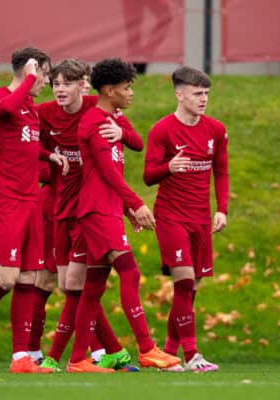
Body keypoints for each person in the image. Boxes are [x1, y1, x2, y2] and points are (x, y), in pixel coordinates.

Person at [0, 47, 69, 373]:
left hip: (30, 197)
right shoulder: (0, 98)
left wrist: (49, 156)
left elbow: (24, 144)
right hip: (5, 197)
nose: (45, 83)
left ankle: (21, 358)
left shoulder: (29, 106)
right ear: (29, 70)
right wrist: (29, 77)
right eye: (44, 75)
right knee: (6, 278)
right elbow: (5, 107)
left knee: (29, 278)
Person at [66, 58, 181, 372]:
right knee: (130, 273)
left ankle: (77, 360)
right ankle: (147, 349)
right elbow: (107, 173)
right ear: (108, 89)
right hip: (97, 209)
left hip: (106, 209)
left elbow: (138, 142)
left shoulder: (112, 118)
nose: (131, 93)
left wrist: (121, 130)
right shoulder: (93, 123)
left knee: (94, 285)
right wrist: (135, 205)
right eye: (127, 87)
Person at [36, 59, 135, 372]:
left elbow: (134, 140)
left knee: (82, 284)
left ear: (84, 85)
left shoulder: (98, 108)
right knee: (71, 286)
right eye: (55, 85)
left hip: (91, 210)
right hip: (61, 208)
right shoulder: (43, 114)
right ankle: (106, 351)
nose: (60, 90)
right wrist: (50, 161)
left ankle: (67, 357)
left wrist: (120, 132)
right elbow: (25, 147)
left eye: (67, 83)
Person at [144, 66, 229, 372]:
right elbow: (147, 176)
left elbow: (221, 171)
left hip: (201, 219)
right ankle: (192, 356)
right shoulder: (162, 130)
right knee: (185, 282)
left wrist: (222, 209)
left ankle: (168, 353)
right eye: (197, 93)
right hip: (170, 217)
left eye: (206, 93)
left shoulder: (216, 130)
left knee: (190, 289)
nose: (203, 99)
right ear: (179, 95)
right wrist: (169, 167)